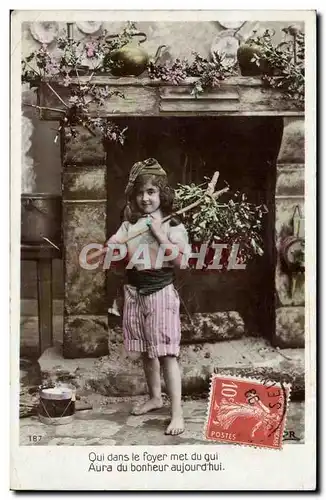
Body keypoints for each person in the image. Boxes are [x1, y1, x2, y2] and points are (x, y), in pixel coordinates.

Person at [106, 158, 190, 436]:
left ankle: (177, 413)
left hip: (160, 293)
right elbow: (113, 247)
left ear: (162, 194)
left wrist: (158, 234)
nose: (145, 198)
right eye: (141, 193)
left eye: (151, 192)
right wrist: (115, 246)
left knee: (166, 353)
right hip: (134, 291)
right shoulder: (130, 224)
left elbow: (182, 262)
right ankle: (155, 397)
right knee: (146, 350)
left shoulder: (173, 225)